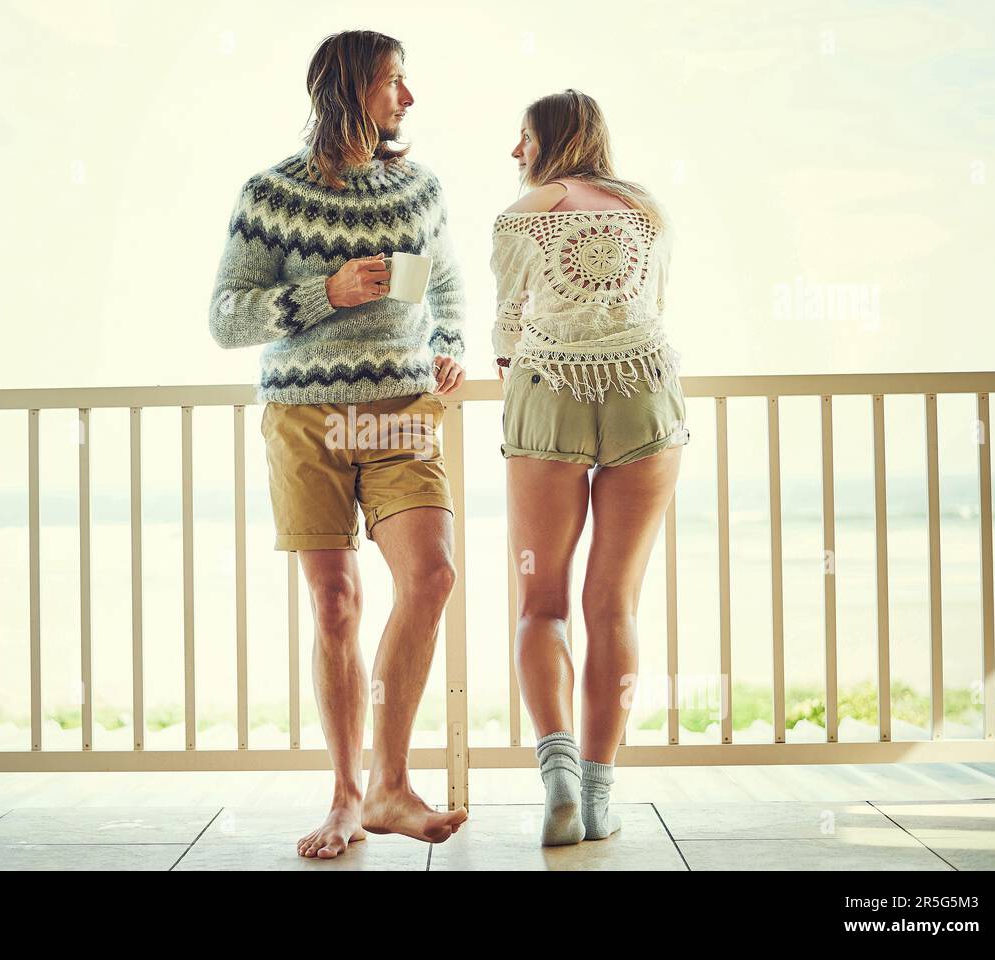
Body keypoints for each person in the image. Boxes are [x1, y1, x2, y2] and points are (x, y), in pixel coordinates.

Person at [208, 30, 469, 859]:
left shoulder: (420, 188)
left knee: (431, 576)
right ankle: (347, 795)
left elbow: (451, 286)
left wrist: (450, 342)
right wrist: (324, 291)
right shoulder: (268, 195)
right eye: (396, 80)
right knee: (336, 605)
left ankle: (392, 785)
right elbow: (225, 318)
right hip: (305, 417)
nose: (410, 97)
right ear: (350, 89)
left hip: (401, 413)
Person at [491, 89, 690, 845]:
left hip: (549, 396)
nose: (515, 154)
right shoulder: (648, 211)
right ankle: (603, 797)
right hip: (645, 393)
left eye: (522, 138)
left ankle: (561, 778)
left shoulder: (523, 213)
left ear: (549, 140)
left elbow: (507, 332)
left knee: (541, 605)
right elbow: (656, 303)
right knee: (615, 604)